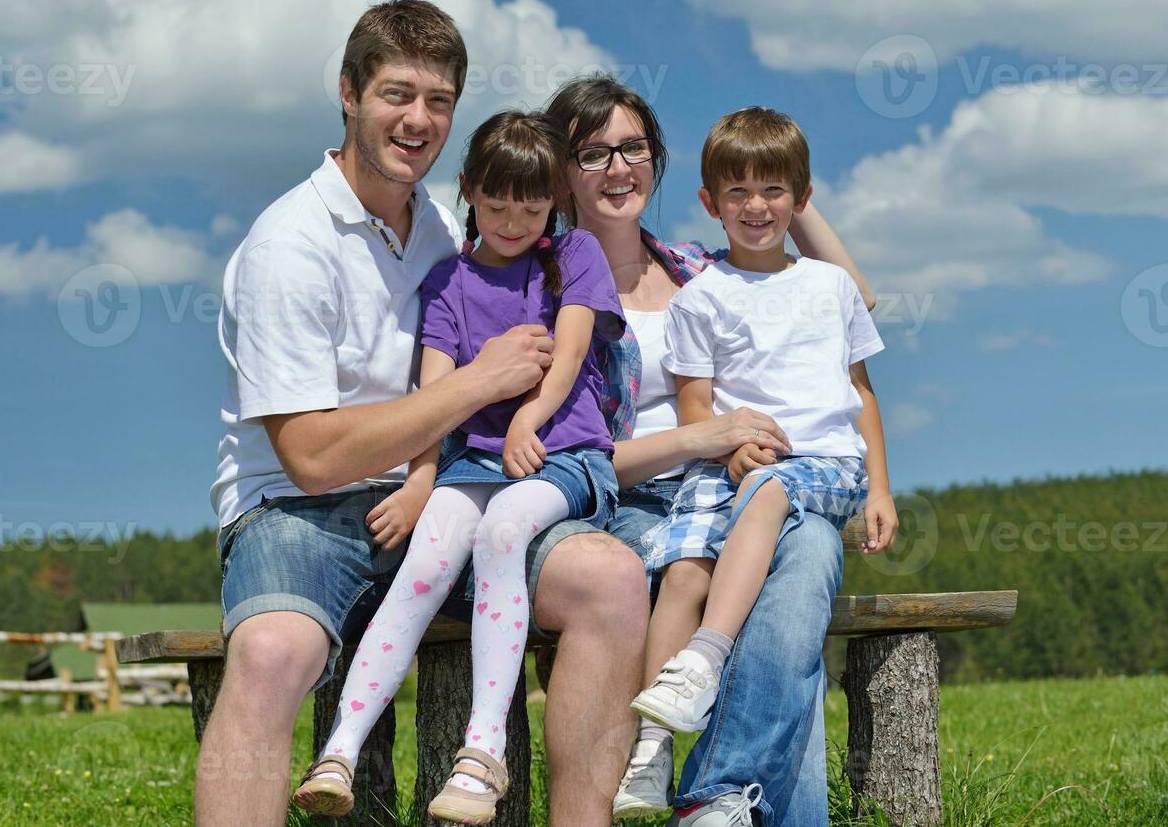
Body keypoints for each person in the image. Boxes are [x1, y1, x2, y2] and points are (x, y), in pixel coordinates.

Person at [196, 0, 652, 827]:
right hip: (301, 512)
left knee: (610, 581)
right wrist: (481, 384)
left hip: (456, 489)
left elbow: (562, 260)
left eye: (437, 100)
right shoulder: (287, 247)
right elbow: (310, 457)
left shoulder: (449, 231)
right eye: (395, 94)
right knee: (270, 653)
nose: (417, 119)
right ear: (347, 93)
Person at [543, 76, 883, 827]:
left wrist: (781, 184)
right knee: (787, 569)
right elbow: (567, 455)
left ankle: (718, 794)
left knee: (812, 553)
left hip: (746, 482)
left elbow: (851, 299)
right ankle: (726, 795)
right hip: (631, 503)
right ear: (558, 173)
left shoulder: (698, 267)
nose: (616, 167)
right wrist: (703, 438)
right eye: (590, 153)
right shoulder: (545, 288)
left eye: (631, 148)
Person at [293, 110, 627, 824]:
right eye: (497, 202)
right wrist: (420, 482)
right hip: (473, 460)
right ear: (470, 190)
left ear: (554, 204)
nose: (512, 219)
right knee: (428, 554)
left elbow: (567, 355)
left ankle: (482, 755)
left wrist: (525, 421)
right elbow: (435, 396)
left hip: (564, 455)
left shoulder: (576, 256)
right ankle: (339, 751)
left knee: (504, 529)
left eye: (531, 206)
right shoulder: (447, 281)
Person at [622, 106, 898, 812]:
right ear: (709, 204)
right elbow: (695, 408)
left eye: (773, 191)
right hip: (730, 469)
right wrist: (731, 444)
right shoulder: (701, 297)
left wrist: (882, 490)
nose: (755, 206)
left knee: (774, 493)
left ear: (801, 201)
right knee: (683, 571)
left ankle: (705, 660)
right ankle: (651, 750)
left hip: (820, 467)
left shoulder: (828, 286)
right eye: (737, 193)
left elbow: (859, 392)